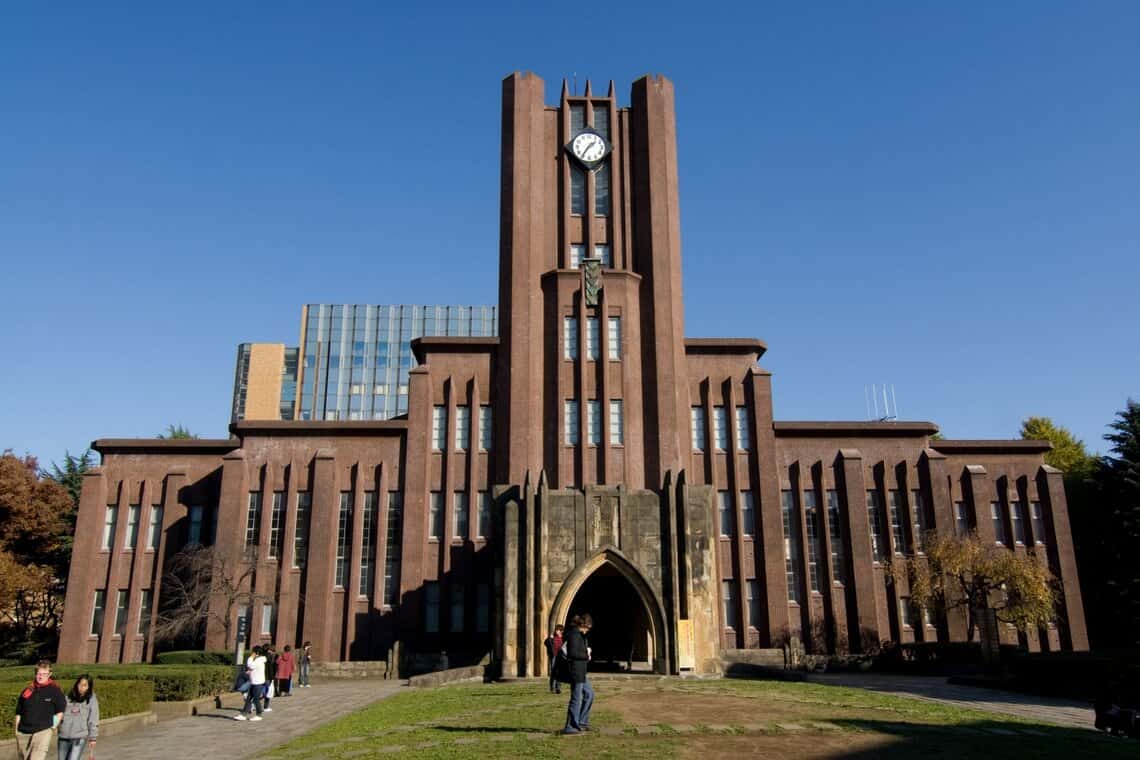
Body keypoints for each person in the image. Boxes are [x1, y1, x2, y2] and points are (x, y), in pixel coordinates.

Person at [13, 659, 66, 760]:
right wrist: (16, 730)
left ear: (50, 674)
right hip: (23, 732)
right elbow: (18, 711)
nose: (41, 676)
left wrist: (52, 727)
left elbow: (60, 711)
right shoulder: (28, 690)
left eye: (44, 674)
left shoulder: (55, 690)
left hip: (43, 731)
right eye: (39, 673)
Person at [561, 613, 594, 735]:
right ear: (585, 625)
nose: (588, 630)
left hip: (581, 672)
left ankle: (581, 722)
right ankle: (570, 726)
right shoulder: (574, 635)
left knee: (589, 694)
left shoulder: (579, 635)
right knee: (576, 699)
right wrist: (586, 654)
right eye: (588, 628)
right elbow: (572, 653)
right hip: (576, 671)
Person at [57, 675, 99, 760]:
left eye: (84, 685)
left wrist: (93, 737)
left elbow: (93, 719)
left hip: (79, 737)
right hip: (63, 736)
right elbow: (59, 713)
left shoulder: (91, 699)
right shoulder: (68, 697)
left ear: (89, 687)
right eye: (80, 684)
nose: (81, 687)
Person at [234, 646, 267, 721]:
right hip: (254, 682)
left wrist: (250, 657)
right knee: (249, 698)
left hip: (257, 683)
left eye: (253, 652)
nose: (252, 653)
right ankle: (243, 714)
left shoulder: (258, 660)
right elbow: (252, 668)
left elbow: (250, 665)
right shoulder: (259, 660)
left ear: (257, 653)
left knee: (256, 699)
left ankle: (259, 714)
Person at [544, 624, 565, 694]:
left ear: (561, 631)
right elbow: (546, 643)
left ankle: (558, 687)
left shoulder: (562, 638)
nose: (557, 631)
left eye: (558, 630)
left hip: (560, 657)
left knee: (559, 672)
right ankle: (552, 687)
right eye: (556, 630)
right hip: (554, 656)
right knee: (553, 672)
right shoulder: (552, 637)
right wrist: (549, 638)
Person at [262, 645, 278, 712]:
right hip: (268, 676)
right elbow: (271, 669)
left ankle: (253, 705)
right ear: (269, 650)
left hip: (261, 676)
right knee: (268, 692)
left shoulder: (261, 656)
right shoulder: (270, 657)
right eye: (273, 651)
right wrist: (272, 677)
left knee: (261, 691)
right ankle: (266, 707)